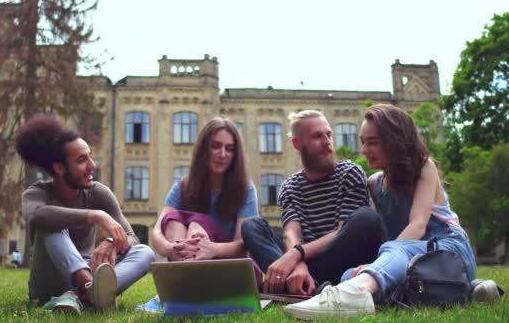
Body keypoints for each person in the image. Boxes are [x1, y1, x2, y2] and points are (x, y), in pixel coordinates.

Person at [284, 104, 477, 319]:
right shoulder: (374, 184)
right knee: (351, 273)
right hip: (411, 262)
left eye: (372, 142)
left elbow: (418, 225)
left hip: (447, 252)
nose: (364, 150)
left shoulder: (423, 167)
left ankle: (355, 292)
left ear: (395, 139)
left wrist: (379, 263)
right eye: (363, 142)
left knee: (391, 255)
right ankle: (470, 291)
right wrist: (369, 266)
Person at [16, 115, 155, 314]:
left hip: (90, 268)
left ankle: (86, 294)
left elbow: (130, 236)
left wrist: (110, 242)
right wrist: (94, 215)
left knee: (145, 252)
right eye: (82, 160)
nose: (92, 165)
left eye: (90, 156)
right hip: (48, 284)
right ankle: (92, 290)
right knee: (51, 225)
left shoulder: (98, 192)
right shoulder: (37, 193)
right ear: (59, 168)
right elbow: (38, 216)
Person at [242, 110, 383, 296]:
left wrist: (296, 255)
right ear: (297, 144)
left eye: (329, 134)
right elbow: (291, 233)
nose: (327, 142)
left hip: (341, 259)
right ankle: (308, 286)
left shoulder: (350, 173)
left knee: (366, 218)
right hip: (304, 264)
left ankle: (295, 286)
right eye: (317, 136)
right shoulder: (290, 186)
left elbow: (342, 232)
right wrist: (298, 264)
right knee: (252, 225)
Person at [151, 116, 258, 261]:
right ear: (203, 149)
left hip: (230, 266)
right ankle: (188, 267)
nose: (222, 154)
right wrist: (171, 248)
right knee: (172, 219)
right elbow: (157, 232)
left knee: (196, 223)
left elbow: (244, 244)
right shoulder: (182, 187)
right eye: (215, 146)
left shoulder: (245, 189)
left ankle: (189, 271)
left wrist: (212, 249)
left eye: (230, 149)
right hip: (191, 260)